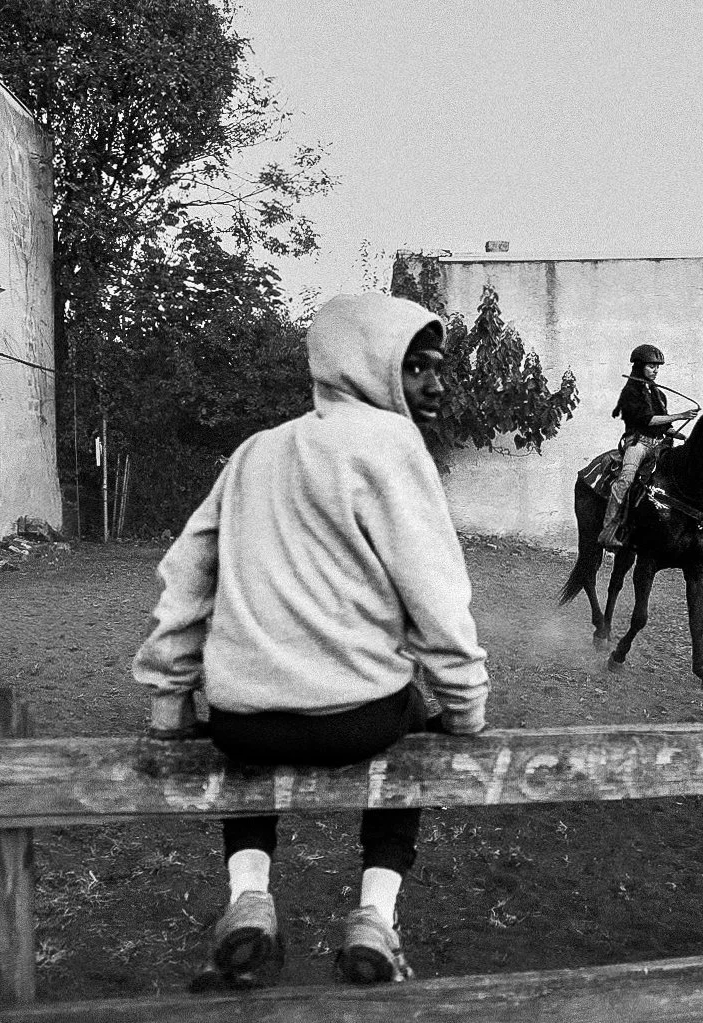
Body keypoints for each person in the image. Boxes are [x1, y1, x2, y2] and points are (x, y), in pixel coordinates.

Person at [133, 293, 490, 991]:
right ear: (365, 367)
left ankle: (248, 899)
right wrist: (467, 708)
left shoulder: (252, 452)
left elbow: (187, 577)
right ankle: (375, 915)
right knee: (416, 718)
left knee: (240, 725)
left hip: (244, 725)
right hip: (357, 722)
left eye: (436, 368)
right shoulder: (392, 447)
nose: (435, 383)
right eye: (415, 367)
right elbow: (436, 593)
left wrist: (170, 703)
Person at [598, 343, 698, 549]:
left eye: (657, 367)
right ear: (639, 366)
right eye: (651, 366)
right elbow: (647, 420)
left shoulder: (658, 394)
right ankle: (607, 532)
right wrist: (680, 415)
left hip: (658, 446)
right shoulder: (630, 392)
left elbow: (664, 426)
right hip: (637, 444)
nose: (655, 370)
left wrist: (680, 435)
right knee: (625, 481)